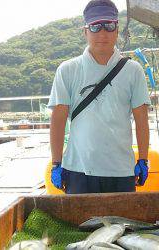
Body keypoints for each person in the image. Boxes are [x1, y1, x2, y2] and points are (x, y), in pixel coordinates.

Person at [48, 0, 150, 194]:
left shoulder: (133, 70)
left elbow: (141, 119)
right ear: (85, 31)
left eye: (109, 26)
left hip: (122, 170)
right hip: (78, 169)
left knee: (121, 224)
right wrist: (56, 163)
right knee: (80, 225)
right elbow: (58, 120)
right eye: (95, 27)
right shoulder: (67, 70)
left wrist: (143, 159)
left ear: (117, 30)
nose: (102, 34)